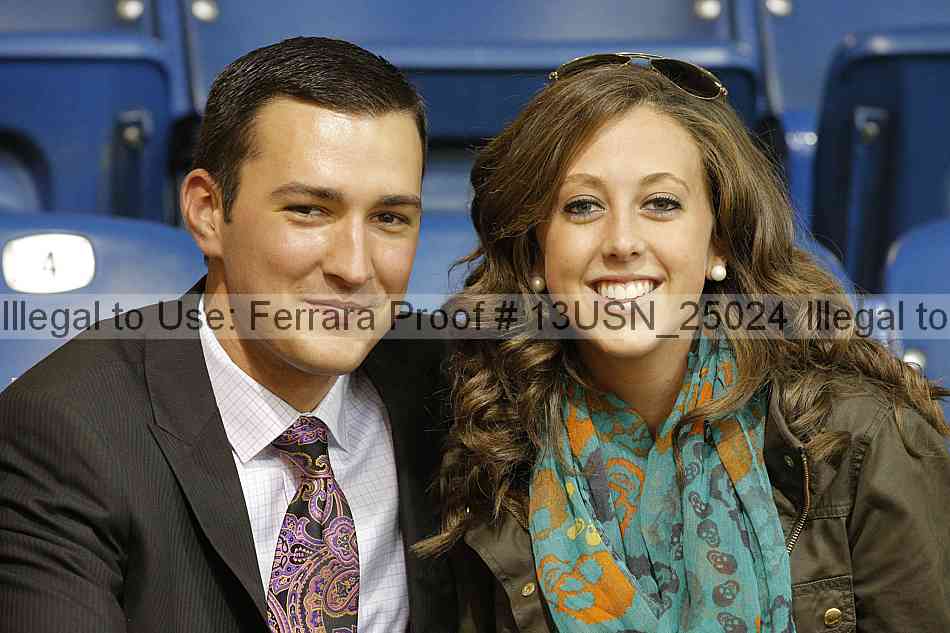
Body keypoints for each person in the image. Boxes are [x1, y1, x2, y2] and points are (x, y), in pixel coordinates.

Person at [417, 54, 950, 632]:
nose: (622, 241)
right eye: (582, 206)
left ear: (719, 242)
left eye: (661, 204)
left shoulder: (865, 439)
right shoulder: (484, 442)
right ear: (535, 250)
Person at [0, 37, 455, 633]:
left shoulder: (457, 390)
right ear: (207, 212)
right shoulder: (65, 431)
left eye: (389, 218)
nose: (354, 266)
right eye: (309, 210)